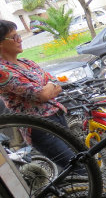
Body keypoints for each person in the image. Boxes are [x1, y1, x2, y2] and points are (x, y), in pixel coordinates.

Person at [0, 20, 76, 169]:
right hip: (40, 128)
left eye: (19, 36)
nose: (20, 40)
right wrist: (49, 86)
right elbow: (40, 95)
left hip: (57, 116)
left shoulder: (27, 62)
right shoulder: (3, 72)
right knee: (78, 167)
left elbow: (54, 81)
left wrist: (49, 86)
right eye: (14, 37)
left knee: (77, 162)